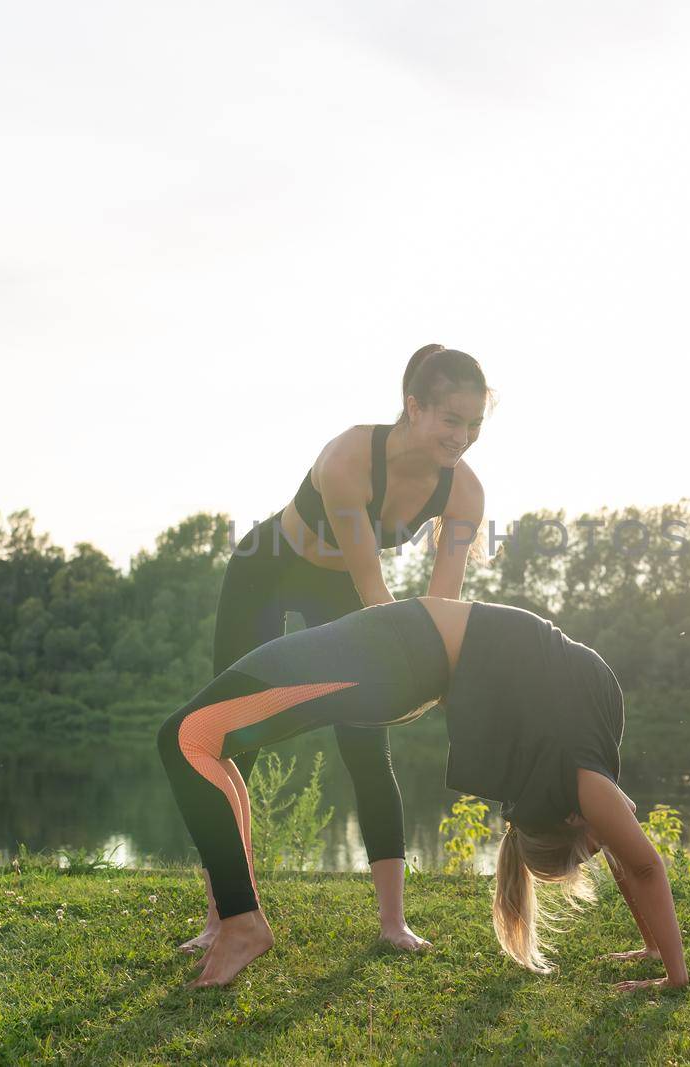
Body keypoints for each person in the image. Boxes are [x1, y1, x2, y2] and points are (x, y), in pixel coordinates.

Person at [157, 596, 690, 992]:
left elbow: (639, 863)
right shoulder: (584, 785)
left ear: (572, 821)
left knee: (187, 738)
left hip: (395, 656)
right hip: (403, 653)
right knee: (203, 741)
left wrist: (674, 974)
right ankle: (236, 918)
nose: (624, 823)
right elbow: (634, 858)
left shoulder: (585, 785)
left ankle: (241, 921)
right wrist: (657, 953)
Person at [180, 345, 489, 956]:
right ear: (413, 407)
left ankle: (393, 924)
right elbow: (374, 592)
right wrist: (405, 665)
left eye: (475, 424)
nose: (464, 436)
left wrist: (436, 678)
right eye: (451, 420)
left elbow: (442, 605)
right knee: (229, 735)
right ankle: (225, 916)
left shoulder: (465, 494)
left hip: (342, 585)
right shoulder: (350, 455)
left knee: (367, 744)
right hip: (267, 570)